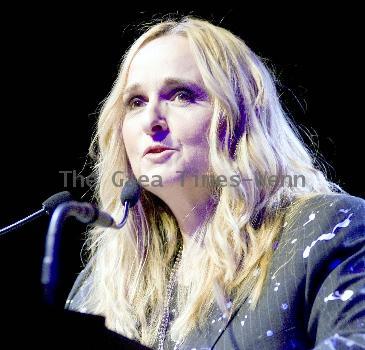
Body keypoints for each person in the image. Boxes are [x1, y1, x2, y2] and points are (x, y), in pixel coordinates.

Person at [65, 16, 365, 349]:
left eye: (180, 95)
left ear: (240, 118)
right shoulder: (100, 286)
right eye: (136, 102)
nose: (152, 120)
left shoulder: (327, 229)